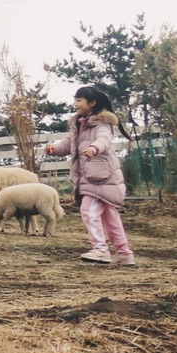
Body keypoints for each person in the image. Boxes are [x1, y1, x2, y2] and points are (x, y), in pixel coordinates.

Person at [44, 85, 135, 266]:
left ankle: (100, 249)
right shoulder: (78, 124)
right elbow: (68, 144)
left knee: (88, 210)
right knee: (110, 217)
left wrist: (94, 148)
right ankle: (124, 253)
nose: (75, 104)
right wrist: (54, 149)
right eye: (75, 100)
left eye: (79, 100)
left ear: (92, 103)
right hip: (96, 176)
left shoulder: (102, 123)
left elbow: (105, 140)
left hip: (100, 177)